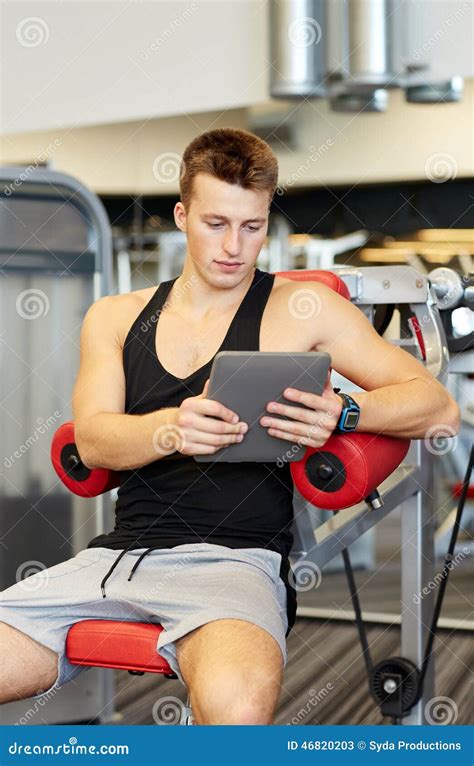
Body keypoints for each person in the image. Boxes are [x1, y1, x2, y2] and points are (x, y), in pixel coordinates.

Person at [0, 128, 460, 724]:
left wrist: (347, 412)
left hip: (234, 565)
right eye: (216, 223)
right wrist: (171, 428)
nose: (234, 246)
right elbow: (92, 440)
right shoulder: (114, 317)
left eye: (252, 226)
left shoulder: (304, 310)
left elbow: (435, 404)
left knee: (236, 713)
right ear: (182, 215)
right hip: (111, 562)